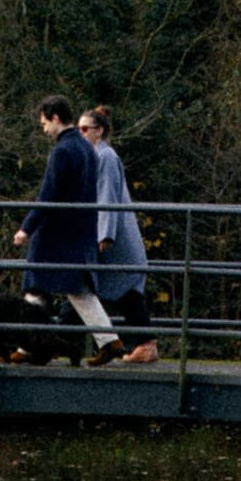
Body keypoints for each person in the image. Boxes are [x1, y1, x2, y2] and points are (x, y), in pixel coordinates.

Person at [14, 96, 126, 365]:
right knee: (76, 288)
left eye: (44, 124)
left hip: (56, 233)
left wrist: (26, 228)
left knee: (36, 283)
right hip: (80, 229)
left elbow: (48, 193)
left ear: (55, 119)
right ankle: (109, 341)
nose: (44, 130)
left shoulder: (62, 151)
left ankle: (32, 346)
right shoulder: (86, 148)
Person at [81, 105, 159, 363]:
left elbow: (107, 196)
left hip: (115, 238)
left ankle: (145, 344)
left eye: (85, 129)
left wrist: (105, 234)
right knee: (93, 286)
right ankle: (141, 343)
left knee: (116, 288)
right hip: (110, 235)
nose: (80, 134)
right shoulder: (95, 157)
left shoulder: (105, 157)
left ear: (99, 131)